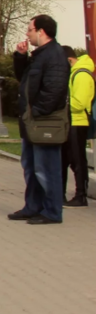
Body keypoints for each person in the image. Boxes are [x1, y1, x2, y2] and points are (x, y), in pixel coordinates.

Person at [9, 14, 69, 225]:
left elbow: (55, 90)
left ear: (41, 31)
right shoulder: (40, 55)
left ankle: (52, 211)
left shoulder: (55, 55)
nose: (27, 33)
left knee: (46, 168)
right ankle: (33, 206)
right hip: (32, 122)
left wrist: (37, 112)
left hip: (45, 123)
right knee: (31, 166)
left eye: (30, 29)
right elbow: (24, 79)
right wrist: (20, 56)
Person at [62, 45, 91, 207]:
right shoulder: (74, 73)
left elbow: (79, 103)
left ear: (69, 60)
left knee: (77, 159)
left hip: (78, 122)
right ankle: (62, 195)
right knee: (66, 158)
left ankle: (81, 195)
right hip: (69, 121)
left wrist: (61, 104)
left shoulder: (81, 75)